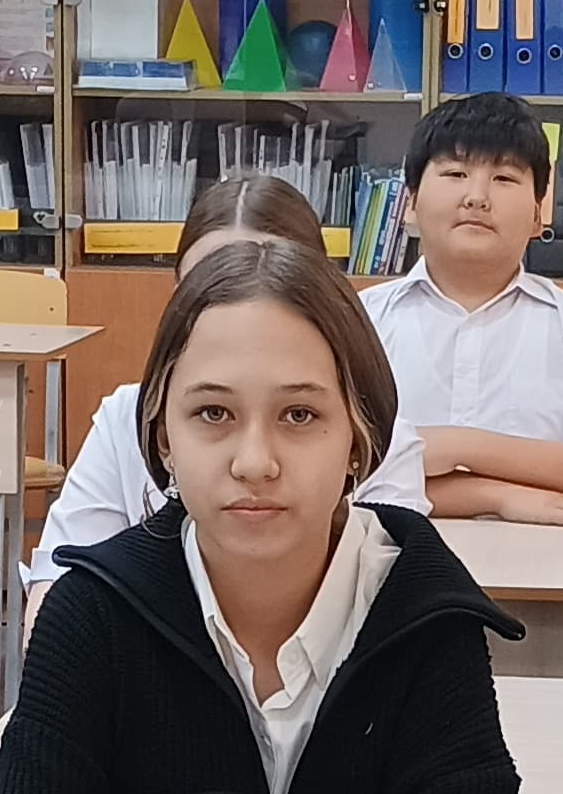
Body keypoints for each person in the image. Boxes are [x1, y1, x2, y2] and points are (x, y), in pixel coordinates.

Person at [0, 242, 520, 794]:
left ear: (358, 439)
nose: (255, 461)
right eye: (213, 414)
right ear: (162, 436)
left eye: (300, 414)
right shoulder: (91, 613)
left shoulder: (424, 614)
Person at [24, 176, 431, 591]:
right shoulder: (126, 417)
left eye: (299, 415)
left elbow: (397, 587)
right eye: (210, 282)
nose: (243, 302)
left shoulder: (370, 428)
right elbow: (57, 584)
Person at [359, 93, 563, 528]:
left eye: (503, 178)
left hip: (546, 560)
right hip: (386, 557)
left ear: (537, 216)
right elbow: (335, 478)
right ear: (411, 204)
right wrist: (497, 495)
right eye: (455, 173)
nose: (477, 197)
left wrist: (460, 445)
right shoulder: (358, 322)